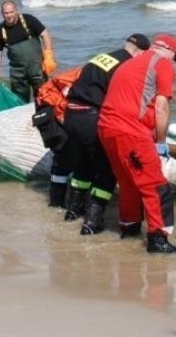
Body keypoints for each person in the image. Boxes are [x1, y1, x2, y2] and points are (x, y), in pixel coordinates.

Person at [97, 34, 176, 253]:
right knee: (155, 184)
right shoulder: (163, 63)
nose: (174, 63)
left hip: (106, 127)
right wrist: (161, 143)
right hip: (130, 131)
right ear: (171, 52)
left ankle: (129, 229)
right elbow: (161, 107)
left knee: (128, 182)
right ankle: (158, 239)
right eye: (175, 58)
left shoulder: (130, 63)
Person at [61, 33, 151, 235]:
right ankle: (93, 221)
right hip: (92, 118)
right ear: (141, 53)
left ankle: (73, 211)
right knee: (108, 170)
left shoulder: (102, 57)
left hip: (71, 116)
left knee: (83, 166)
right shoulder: (127, 65)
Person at [32, 66, 82, 210]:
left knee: (68, 155)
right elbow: (61, 106)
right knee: (65, 153)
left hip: (53, 106)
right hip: (49, 110)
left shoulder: (91, 74)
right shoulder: (85, 78)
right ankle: (58, 204)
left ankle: (60, 203)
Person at [0, 0, 56, 102]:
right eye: (6, 13)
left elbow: (45, 34)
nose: (9, 15)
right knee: (19, 102)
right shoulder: (1, 31)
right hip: (18, 75)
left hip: (37, 70)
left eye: (11, 12)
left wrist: (48, 56)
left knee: (44, 97)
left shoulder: (28, 20)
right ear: (2, 14)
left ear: (16, 10)